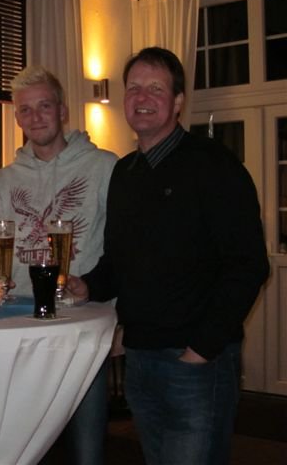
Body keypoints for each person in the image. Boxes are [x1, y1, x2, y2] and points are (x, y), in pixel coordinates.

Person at [69, 47, 270, 465]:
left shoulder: (213, 165)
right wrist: (86, 286)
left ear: (178, 101)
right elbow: (118, 263)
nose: (142, 97)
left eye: (155, 88)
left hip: (194, 362)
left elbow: (248, 265)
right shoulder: (125, 173)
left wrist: (202, 350)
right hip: (140, 357)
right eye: (133, 88)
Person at [0, 65, 118, 465]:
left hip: (81, 329)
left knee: (86, 452)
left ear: (62, 110)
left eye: (44, 106)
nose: (35, 116)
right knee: (21, 450)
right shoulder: (6, 178)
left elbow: (122, 247)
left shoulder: (104, 166)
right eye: (25, 109)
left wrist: (104, 298)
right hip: (21, 326)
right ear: (17, 118)